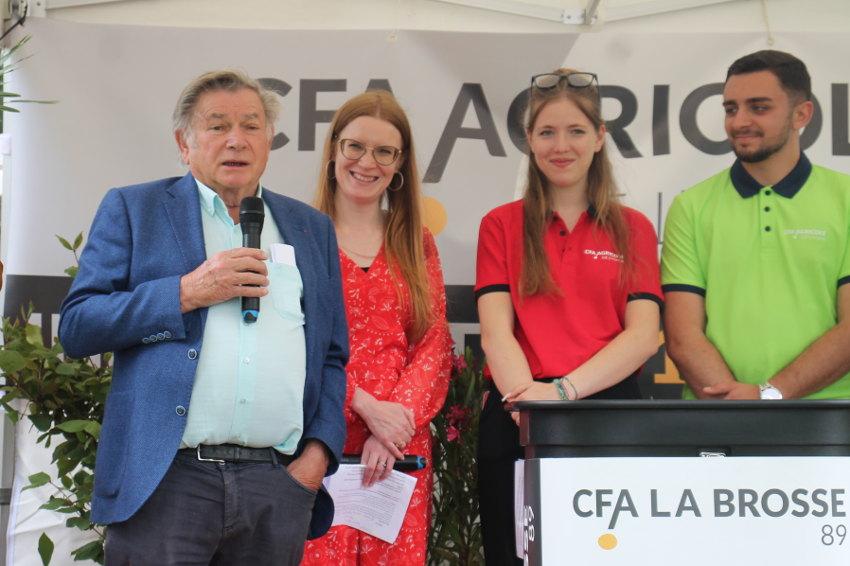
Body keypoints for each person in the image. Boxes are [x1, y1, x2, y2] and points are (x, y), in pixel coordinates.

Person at [58, 70, 348, 565]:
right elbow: (79, 326)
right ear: (184, 143)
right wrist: (185, 292)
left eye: (251, 126)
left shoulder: (310, 227)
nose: (236, 139)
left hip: (275, 486)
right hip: (168, 481)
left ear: (268, 140)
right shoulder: (136, 209)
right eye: (217, 126)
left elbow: (332, 356)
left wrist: (317, 456)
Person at [474, 69, 662, 565]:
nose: (562, 146)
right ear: (529, 140)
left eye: (576, 131)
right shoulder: (500, 224)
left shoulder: (634, 228)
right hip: (517, 414)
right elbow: (496, 333)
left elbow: (643, 336)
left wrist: (561, 394)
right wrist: (528, 404)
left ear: (599, 138)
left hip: (609, 414)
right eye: (547, 132)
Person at [300, 90, 451, 566]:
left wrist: (391, 428)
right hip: (318, 440)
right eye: (355, 146)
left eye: (384, 151)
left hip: (398, 450)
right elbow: (291, 343)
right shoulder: (300, 237)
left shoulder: (417, 242)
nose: (367, 162)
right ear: (334, 150)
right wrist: (364, 405)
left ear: (400, 162)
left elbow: (433, 344)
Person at [661, 50, 850, 401]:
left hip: (830, 419)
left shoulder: (846, 198)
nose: (739, 122)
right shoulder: (691, 206)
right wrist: (742, 408)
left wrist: (769, 395)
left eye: (759, 108)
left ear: (802, 114)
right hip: (721, 417)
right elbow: (683, 338)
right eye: (731, 109)